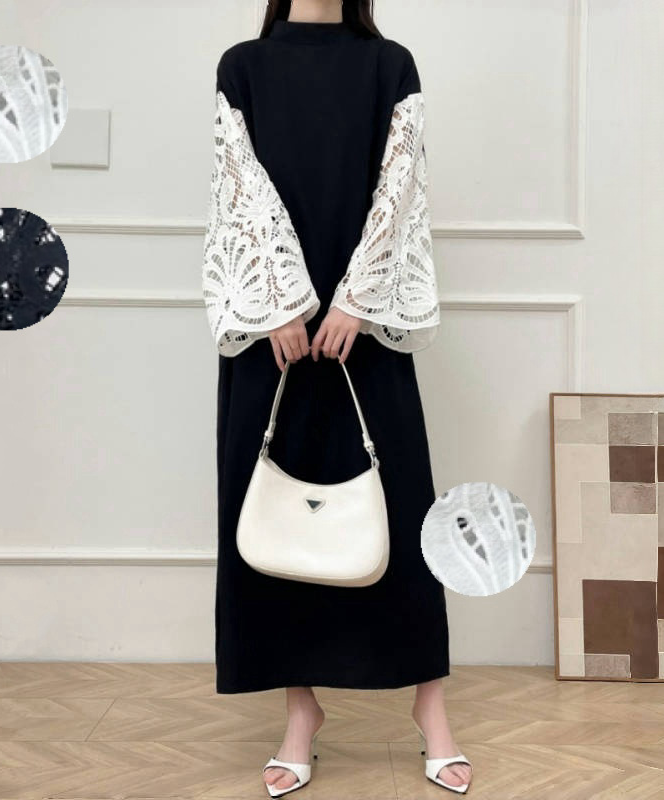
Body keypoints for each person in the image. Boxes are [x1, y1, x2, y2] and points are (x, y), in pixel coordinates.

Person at [202, 0, 473, 794]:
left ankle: (431, 709)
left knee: (403, 510)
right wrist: (282, 301)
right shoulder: (242, 67)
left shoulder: (391, 65)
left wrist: (353, 300)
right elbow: (239, 188)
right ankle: (300, 714)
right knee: (277, 526)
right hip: (274, 330)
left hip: (367, 324)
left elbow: (400, 189)